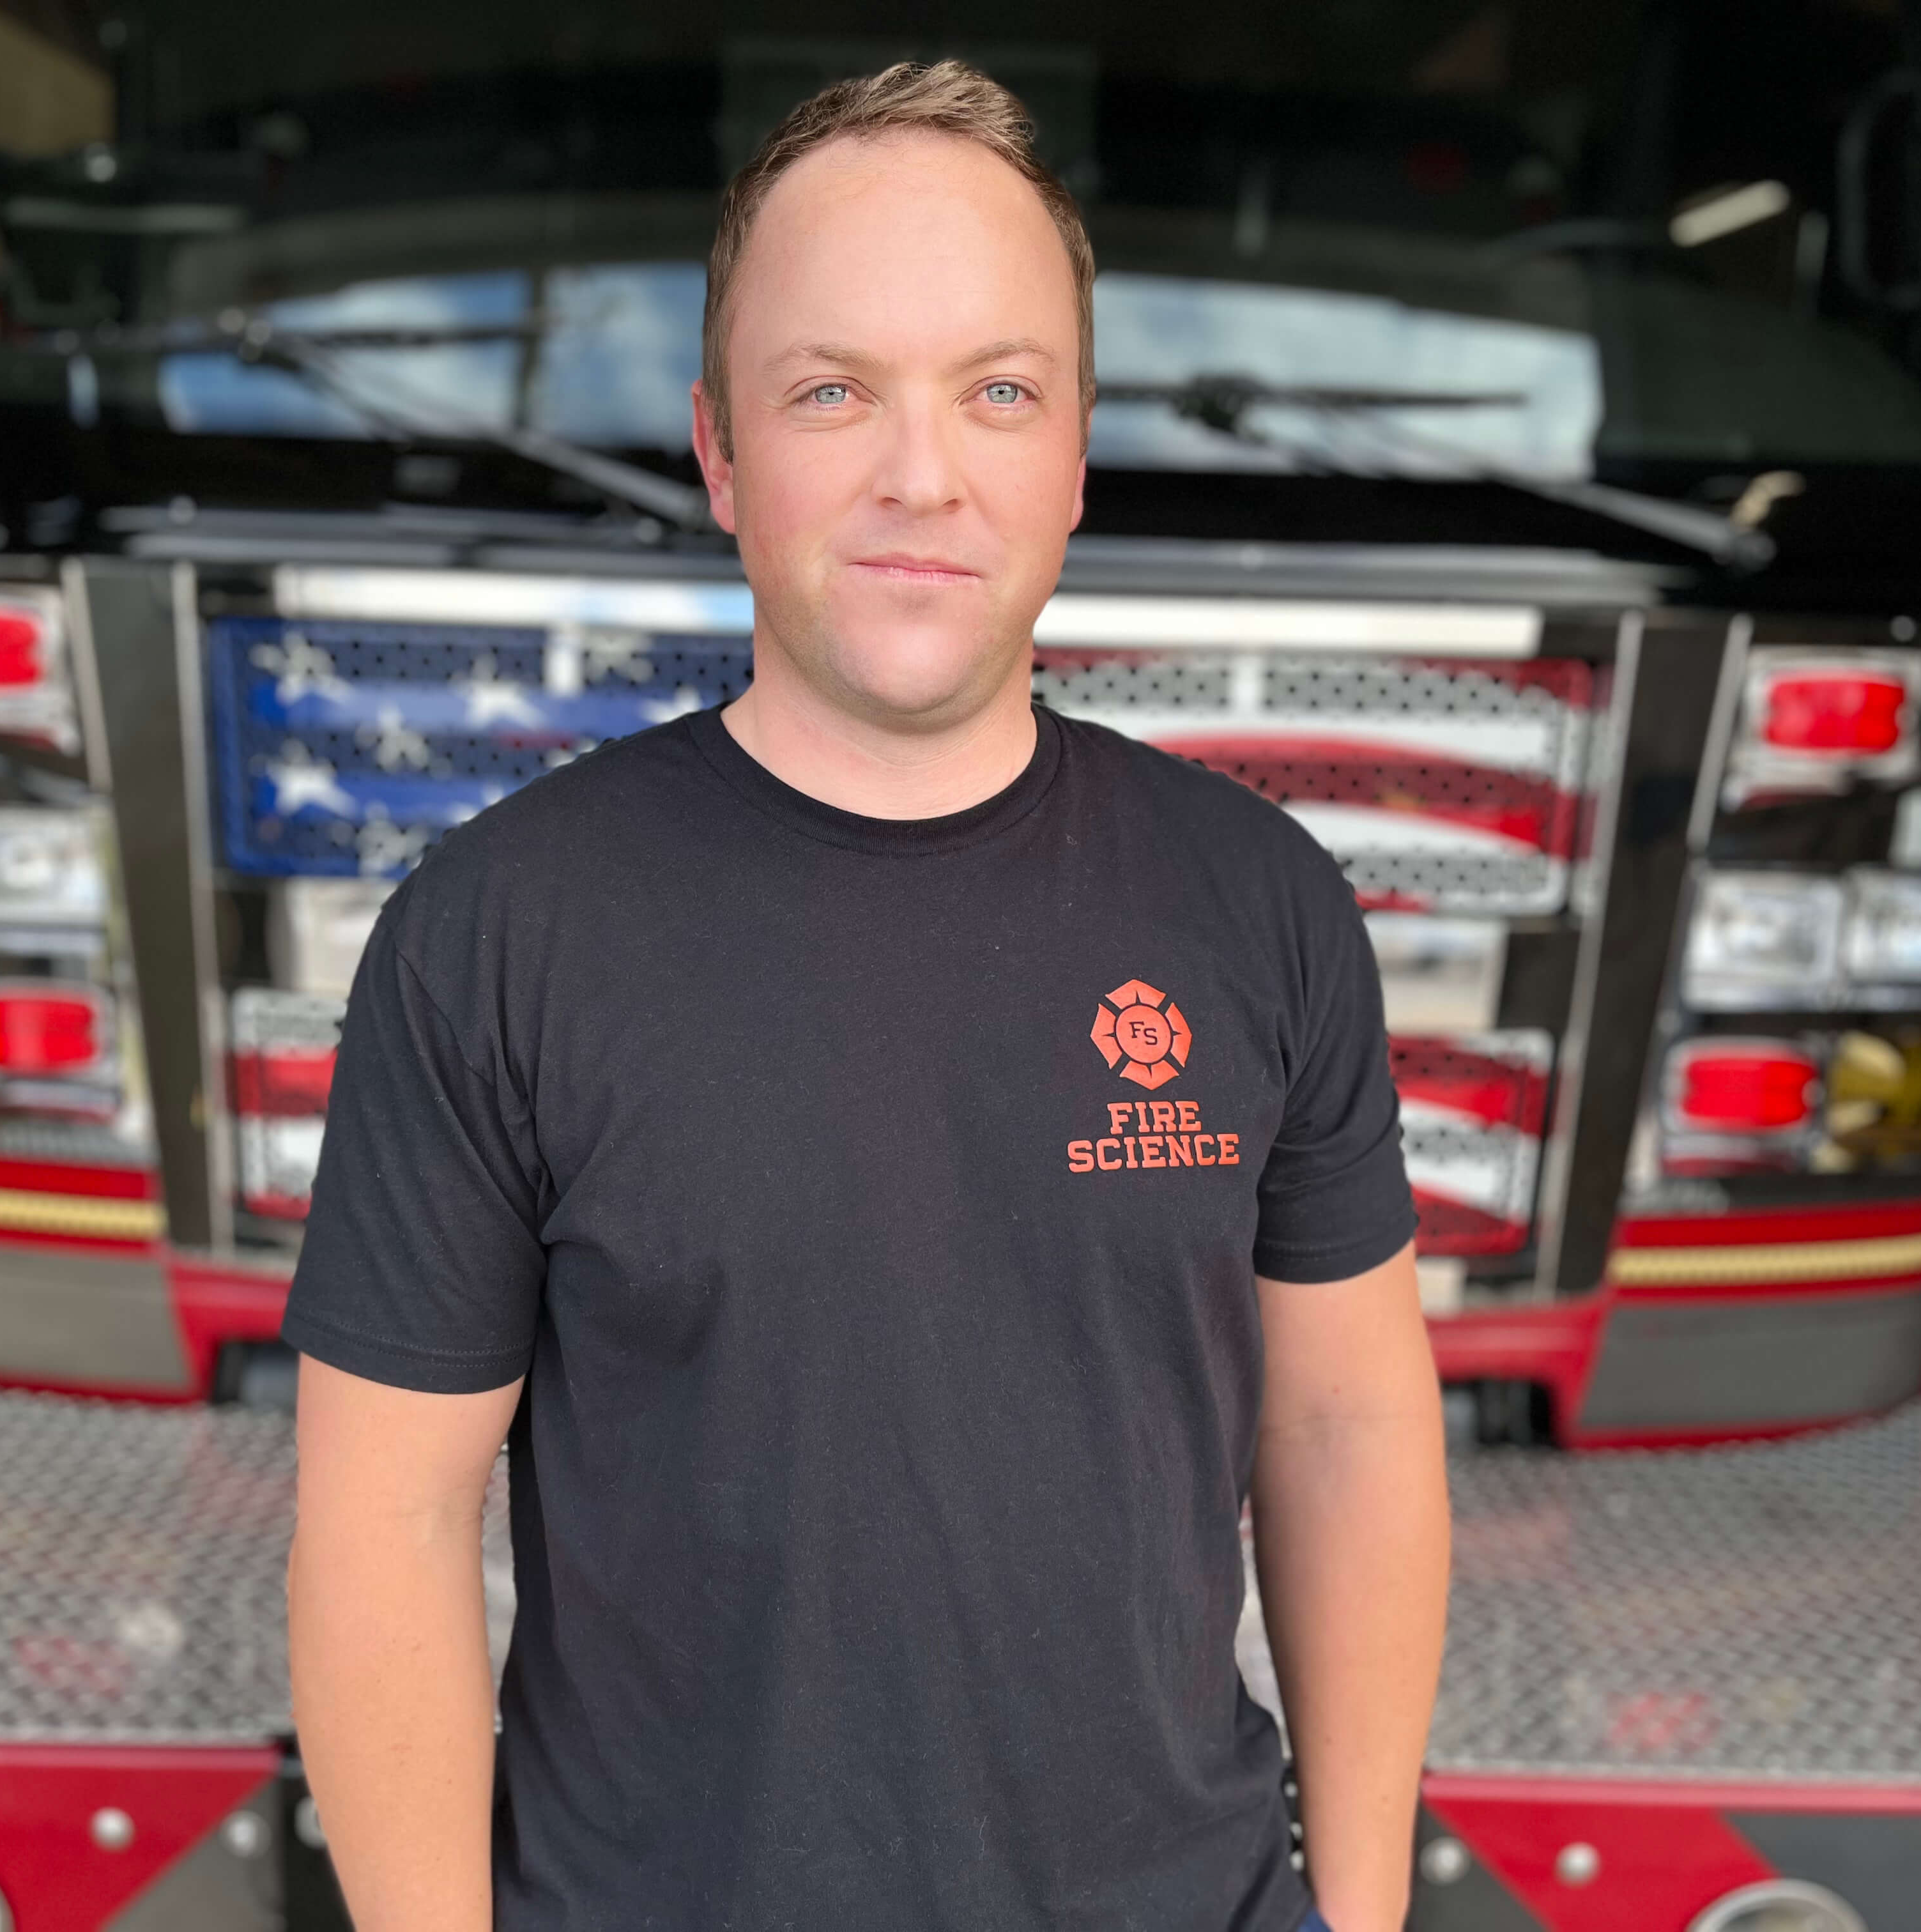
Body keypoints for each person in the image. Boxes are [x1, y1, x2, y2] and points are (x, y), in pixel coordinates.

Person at [282, 59, 1451, 1932]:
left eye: (1000, 391)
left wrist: (1365, 1912)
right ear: (721, 453)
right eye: (834, 393)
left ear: (1075, 456)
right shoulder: (498, 932)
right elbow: (384, 1526)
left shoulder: (1262, 908)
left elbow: (1347, 1435)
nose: (927, 473)